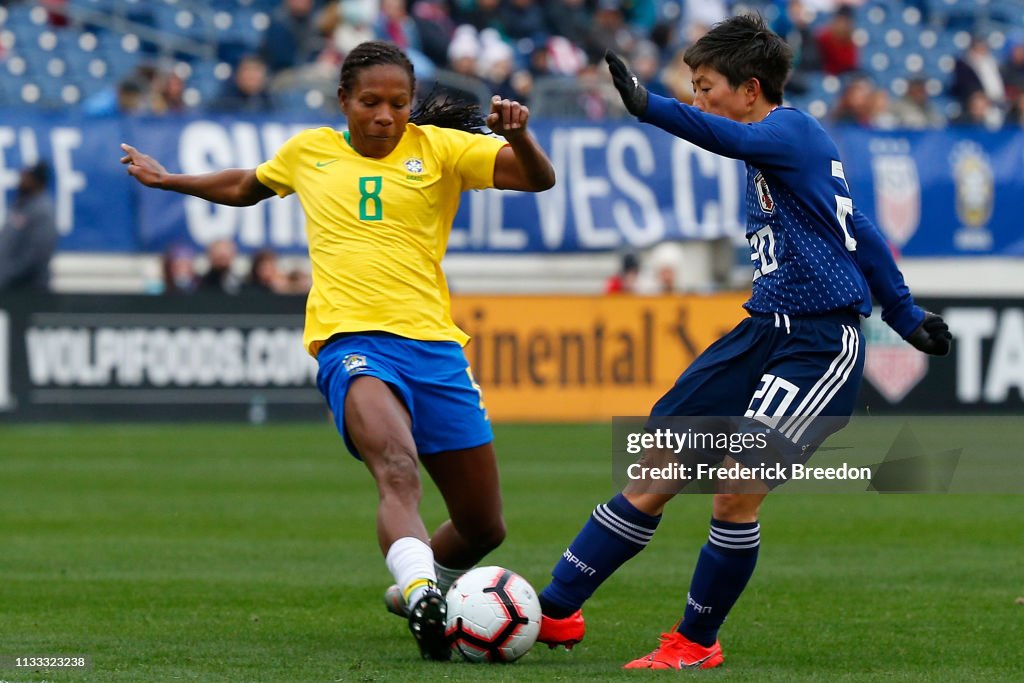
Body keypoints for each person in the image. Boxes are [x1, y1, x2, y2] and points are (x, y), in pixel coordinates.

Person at [533, 15, 952, 670]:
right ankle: (554, 610)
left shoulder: (787, 130)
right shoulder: (785, 148)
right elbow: (858, 227)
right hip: (761, 330)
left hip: (818, 343)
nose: (699, 100)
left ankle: (695, 642)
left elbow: (720, 137)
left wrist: (649, 106)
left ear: (750, 89)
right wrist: (904, 310)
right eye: (692, 90)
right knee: (658, 467)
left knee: (735, 485)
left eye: (705, 87)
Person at [119, 40, 555, 661]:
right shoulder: (311, 152)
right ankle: (426, 593)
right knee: (397, 469)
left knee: (484, 526)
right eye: (371, 102)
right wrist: (170, 180)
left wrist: (520, 139)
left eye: (399, 104)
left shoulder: (443, 149)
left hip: (435, 349)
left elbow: (539, 179)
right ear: (344, 100)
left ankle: (410, 587)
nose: (385, 115)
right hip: (351, 343)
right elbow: (247, 184)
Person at [0, 161, 58, 292]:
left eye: (26, 176)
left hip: (29, 292)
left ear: (37, 181)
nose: (21, 180)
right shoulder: (20, 205)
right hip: (9, 290)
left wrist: (7, 276)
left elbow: (36, 256)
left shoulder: (42, 212)